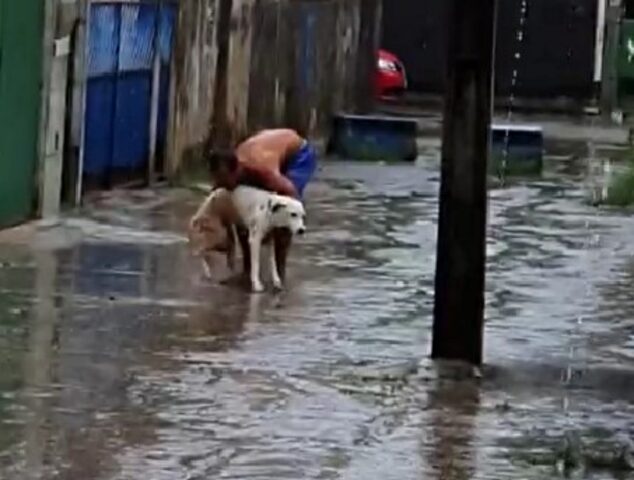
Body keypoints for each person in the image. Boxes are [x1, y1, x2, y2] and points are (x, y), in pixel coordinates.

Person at [208, 128, 318, 282]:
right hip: (271, 147)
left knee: (283, 211)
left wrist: (279, 224)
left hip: (298, 156)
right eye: (218, 179)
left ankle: (280, 273)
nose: (223, 185)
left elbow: (290, 194)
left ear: (237, 171)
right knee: (243, 209)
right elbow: (233, 213)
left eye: (225, 180)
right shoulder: (231, 167)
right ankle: (248, 271)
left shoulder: (262, 168)